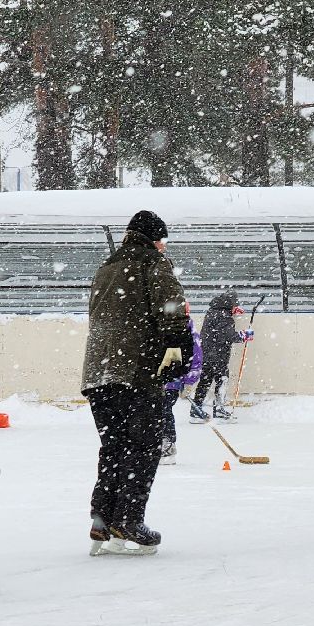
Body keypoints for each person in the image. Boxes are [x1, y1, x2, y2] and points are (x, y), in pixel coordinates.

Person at [81, 209, 193, 555]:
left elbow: (100, 318)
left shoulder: (105, 269)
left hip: (99, 374)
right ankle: (128, 519)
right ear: (152, 239)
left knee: (113, 447)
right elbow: (172, 307)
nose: (163, 246)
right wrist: (176, 349)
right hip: (136, 372)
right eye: (161, 239)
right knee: (144, 446)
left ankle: (102, 518)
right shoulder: (153, 264)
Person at [190, 290, 253, 422]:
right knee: (222, 379)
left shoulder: (213, 311)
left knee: (205, 381)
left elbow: (219, 332)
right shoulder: (224, 315)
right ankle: (218, 409)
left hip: (207, 353)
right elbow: (227, 336)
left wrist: (232, 312)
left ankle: (196, 409)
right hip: (218, 355)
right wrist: (244, 335)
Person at [161, 318, 202, 465]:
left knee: (163, 410)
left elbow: (195, 354)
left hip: (171, 379)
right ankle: (152, 447)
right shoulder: (152, 320)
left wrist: (189, 381)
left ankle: (167, 446)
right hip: (151, 378)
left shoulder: (186, 327)